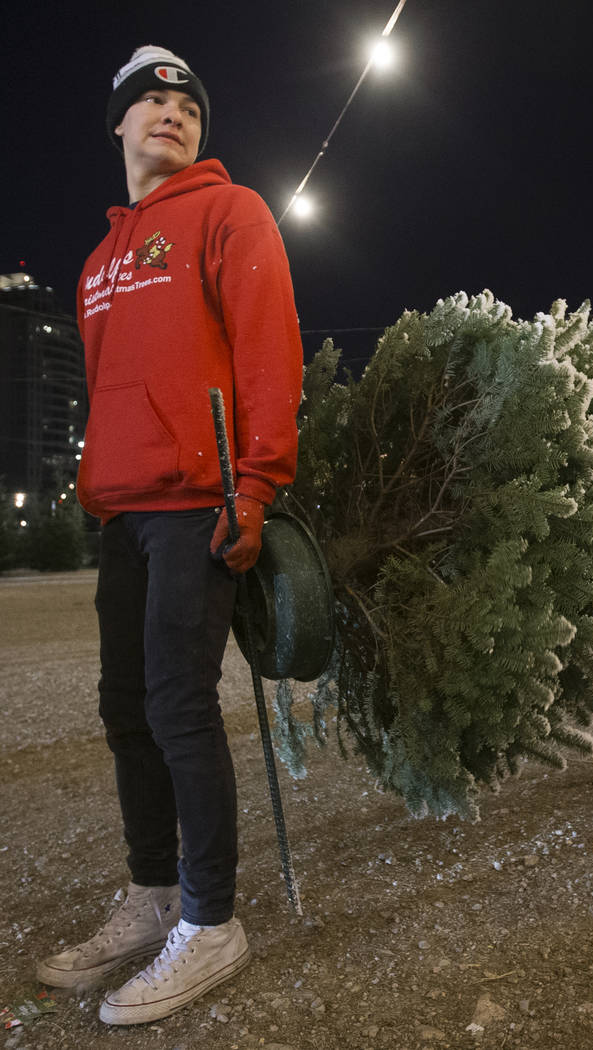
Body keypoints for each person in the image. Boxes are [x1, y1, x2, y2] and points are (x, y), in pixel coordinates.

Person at [36, 46, 303, 1024]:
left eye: (186, 102)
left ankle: (211, 919)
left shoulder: (231, 214)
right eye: (149, 100)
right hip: (125, 510)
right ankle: (152, 895)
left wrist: (258, 481)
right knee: (123, 707)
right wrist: (94, 490)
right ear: (116, 123)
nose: (171, 112)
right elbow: (111, 387)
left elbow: (269, 344)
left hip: (201, 497)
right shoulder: (101, 261)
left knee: (178, 704)